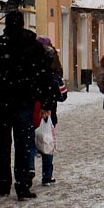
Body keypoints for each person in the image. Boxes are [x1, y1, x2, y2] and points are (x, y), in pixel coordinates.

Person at [0, 11, 56, 201]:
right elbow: (45, 75)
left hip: (2, 101)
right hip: (24, 101)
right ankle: (22, 185)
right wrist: (45, 101)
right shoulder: (34, 47)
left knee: (3, 143)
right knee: (23, 143)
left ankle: (4, 182)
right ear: (22, 24)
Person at [37, 36, 64, 184]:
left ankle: (29, 169)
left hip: (33, 107)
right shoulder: (52, 63)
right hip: (48, 110)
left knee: (29, 142)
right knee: (47, 141)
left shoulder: (31, 60)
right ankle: (47, 174)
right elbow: (61, 92)